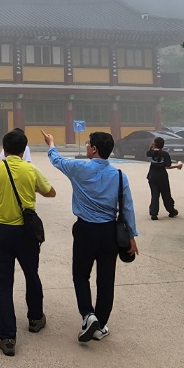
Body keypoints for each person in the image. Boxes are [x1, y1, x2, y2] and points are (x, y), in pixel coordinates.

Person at [43, 130, 138, 344]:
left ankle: (88, 315)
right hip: (109, 233)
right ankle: (100, 324)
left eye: (88, 144)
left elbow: (57, 161)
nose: (86, 146)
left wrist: (51, 144)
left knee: (80, 274)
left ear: (94, 149)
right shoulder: (119, 176)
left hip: (85, 230)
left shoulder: (79, 168)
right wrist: (131, 236)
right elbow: (127, 208)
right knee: (106, 279)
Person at [0, 128, 55, 356]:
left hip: (1, 230)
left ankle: (7, 337)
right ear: (24, 150)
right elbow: (50, 192)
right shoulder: (31, 169)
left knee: (2, 283)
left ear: (4, 149)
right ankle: (35, 318)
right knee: (32, 274)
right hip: (26, 232)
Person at [146, 136, 181, 219]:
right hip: (162, 177)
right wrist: (178, 166)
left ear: (154, 144)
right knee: (166, 194)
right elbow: (167, 166)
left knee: (155, 195)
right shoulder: (165, 154)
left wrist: (151, 146)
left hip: (152, 176)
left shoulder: (150, 153)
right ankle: (171, 211)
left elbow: (149, 152)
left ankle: (154, 213)